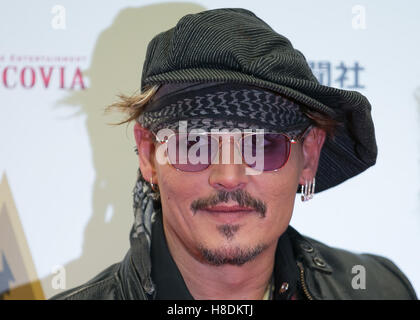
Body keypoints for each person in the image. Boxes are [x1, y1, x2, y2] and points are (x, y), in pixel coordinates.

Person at [51, 8, 417, 300]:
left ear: (308, 158)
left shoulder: (380, 291)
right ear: (148, 156)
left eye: (263, 145)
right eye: (194, 145)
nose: (228, 175)